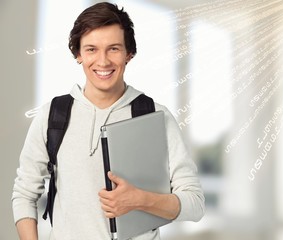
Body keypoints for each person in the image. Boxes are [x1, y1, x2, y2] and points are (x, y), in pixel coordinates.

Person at [12, 2, 205, 239]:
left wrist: (141, 200)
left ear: (128, 54)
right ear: (78, 54)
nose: (103, 62)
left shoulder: (155, 116)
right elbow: (24, 194)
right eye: (91, 49)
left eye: (113, 49)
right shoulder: (52, 115)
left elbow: (195, 204)